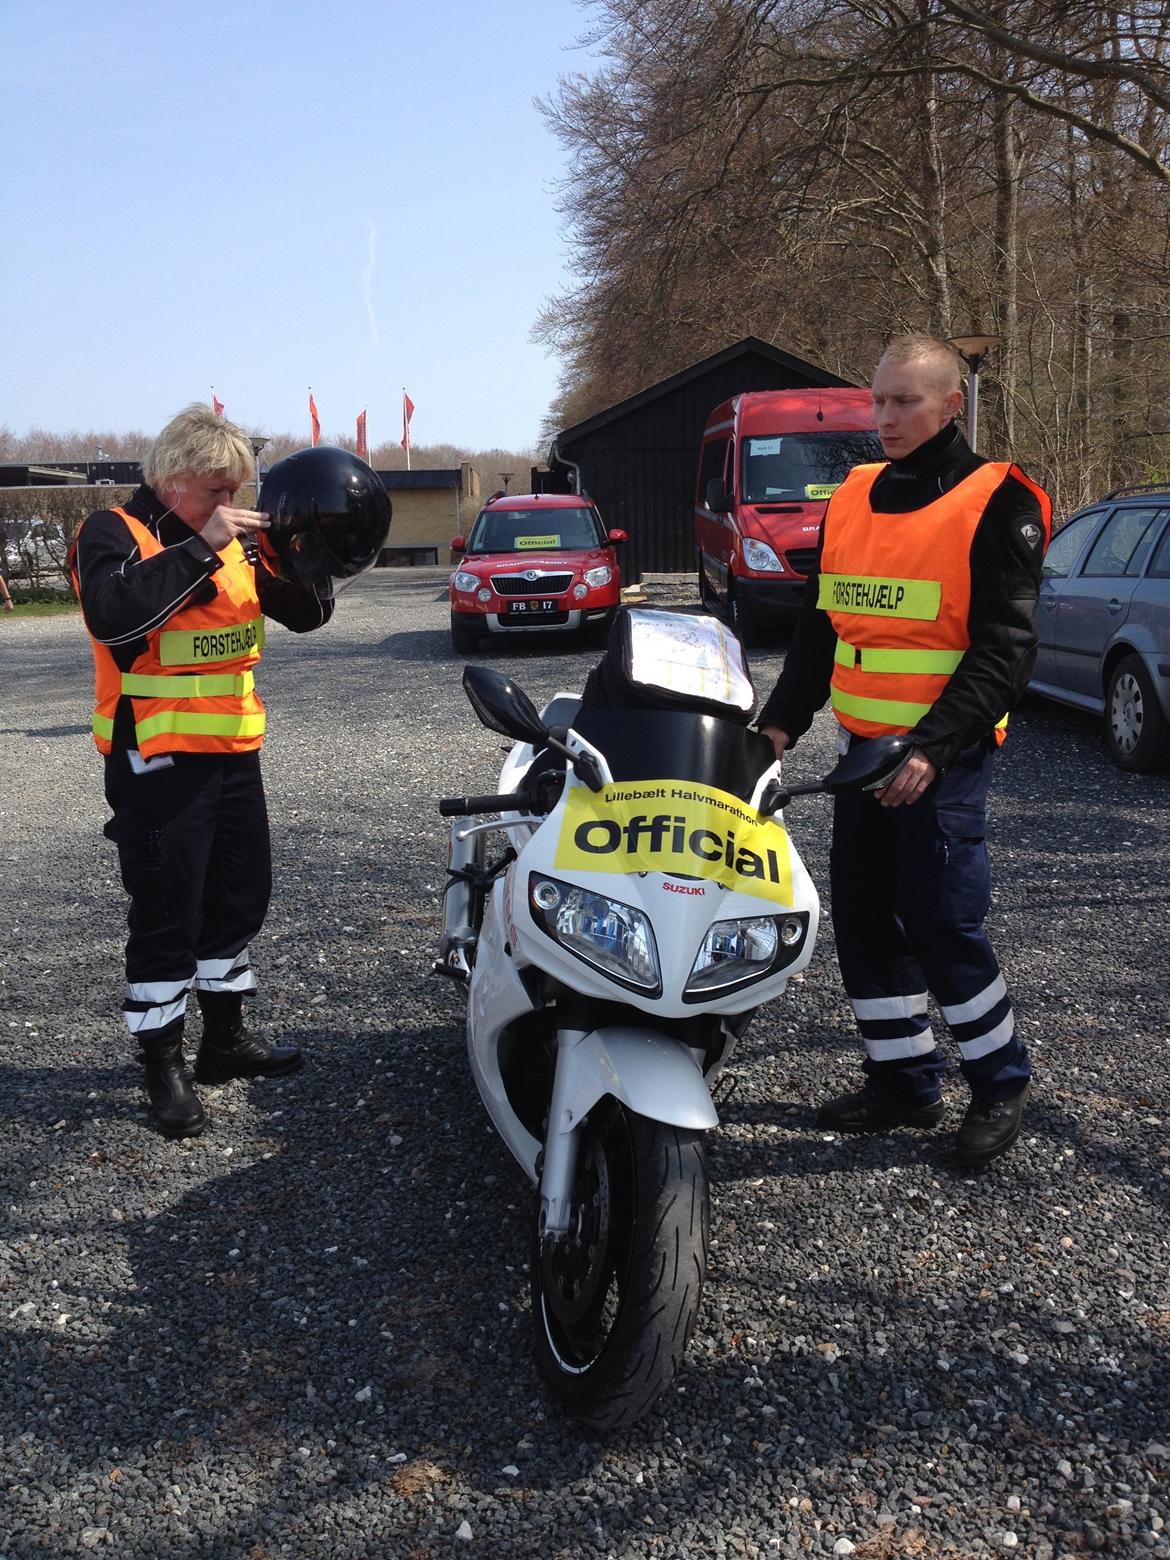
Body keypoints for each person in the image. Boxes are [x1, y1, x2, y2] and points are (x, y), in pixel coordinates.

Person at [757, 334, 1051, 1166]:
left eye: (905, 402)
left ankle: (1000, 1080)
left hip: (940, 761)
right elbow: (821, 627)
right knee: (863, 918)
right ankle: (904, 1082)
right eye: (878, 399)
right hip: (862, 755)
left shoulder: (999, 500)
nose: (883, 417)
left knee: (940, 920)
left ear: (951, 404)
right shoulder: (850, 495)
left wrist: (931, 746)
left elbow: (1004, 650)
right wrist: (780, 724)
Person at [71, 405, 333, 1138]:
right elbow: (113, 617)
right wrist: (198, 549)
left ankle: (223, 1040)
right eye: (214, 489)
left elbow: (303, 615)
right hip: (155, 761)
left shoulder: (232, 541)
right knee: (166, 912)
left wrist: (312, 557)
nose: (228, 504)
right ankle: (163, 1066)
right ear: (169, 478)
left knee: (239, 896)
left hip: (233, 755)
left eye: (234, 490)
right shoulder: (115, 532)